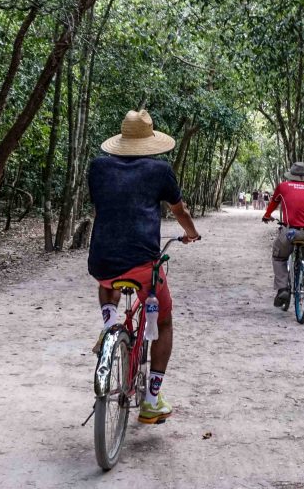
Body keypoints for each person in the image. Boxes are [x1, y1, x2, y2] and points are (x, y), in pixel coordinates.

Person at [88, 109, 201, 425]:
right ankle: (151, 399)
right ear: (151, 142)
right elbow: (180, 211)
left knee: (108, 280)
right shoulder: (160, 171)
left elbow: (107, 207)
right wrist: (191, 234)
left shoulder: (97, 167)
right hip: (143, 265)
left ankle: (109, 323)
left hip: (102, 261)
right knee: (163, 321)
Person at [262, 162, 304, 309]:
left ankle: (283, 289)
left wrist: (267, 216)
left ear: (291, 175)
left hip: (290, 233)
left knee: (279, 256)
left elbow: (273, 204)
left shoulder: (283, 187)